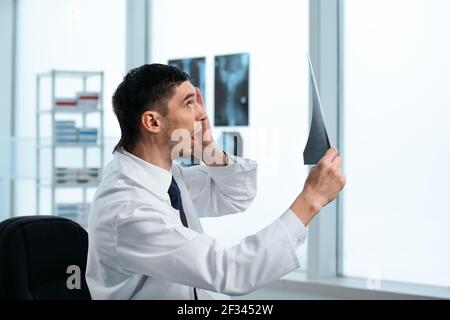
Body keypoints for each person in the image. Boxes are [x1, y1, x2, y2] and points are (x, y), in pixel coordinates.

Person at [85, 64, 346, 300]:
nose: (201, 114)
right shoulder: (129, 210)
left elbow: (234, 196)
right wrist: (311, 199)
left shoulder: (165, 177)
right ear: (152, 121)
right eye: (189, 103)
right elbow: (230, 271)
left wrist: (207, 147)